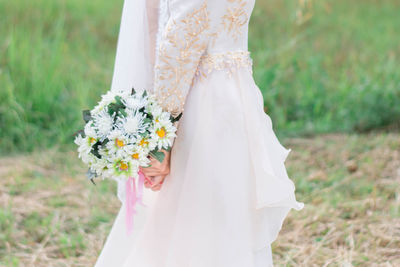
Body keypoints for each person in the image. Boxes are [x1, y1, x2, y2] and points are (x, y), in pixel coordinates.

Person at [95, 0, 304, 266]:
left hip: (196, 99)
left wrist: (162, 135)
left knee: (192, 216)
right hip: (234, 92)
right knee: (225, 208)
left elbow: (180, 42)